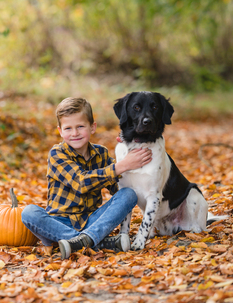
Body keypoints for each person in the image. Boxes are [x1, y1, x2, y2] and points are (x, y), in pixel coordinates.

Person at [21, 97, 152, 259]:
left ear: (92, 127)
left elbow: (118, 187)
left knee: (129, 194)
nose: (74, 133)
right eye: (68, 128)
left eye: (80, 126)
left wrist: (128, 149)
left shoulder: (101, 154)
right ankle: (97, 242)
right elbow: (80, 182)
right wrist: (122, 165)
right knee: (29, 212)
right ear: (60, 131)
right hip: (58, 224)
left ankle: (82, 241)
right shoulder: (57, 154)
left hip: (92, 221)